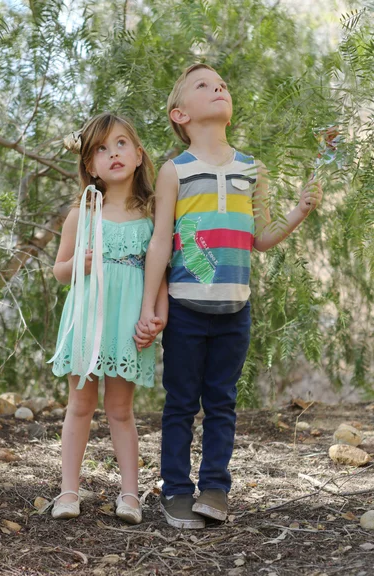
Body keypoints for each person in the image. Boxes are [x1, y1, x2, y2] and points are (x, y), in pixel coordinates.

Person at [134, 64, 322, 529]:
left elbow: (261, 237)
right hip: (184, 307)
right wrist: (148, 308)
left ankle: (214, 487)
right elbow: (160, 241)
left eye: (221, 84)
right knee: (180, 402)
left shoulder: (252, 168)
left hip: (236, 306)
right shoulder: (175, 171)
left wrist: (298, 212)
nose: (218, 87)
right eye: (203, 84)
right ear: (181, 114)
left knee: (221, 401)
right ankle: (176, 490)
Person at [48, 112, 167, 524]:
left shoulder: (152, 214)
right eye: (100, 149)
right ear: (89, 165)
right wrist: (76, 264)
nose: (112, 154)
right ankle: (68, 491)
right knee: (79, 404)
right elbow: (58, 270)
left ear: (137, 154)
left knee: (120, 408)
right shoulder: (83, 213)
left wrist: (157, 317)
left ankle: (131, 495)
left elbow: (161, 272)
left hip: (128, 319)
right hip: (88, 317)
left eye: (120, 144)